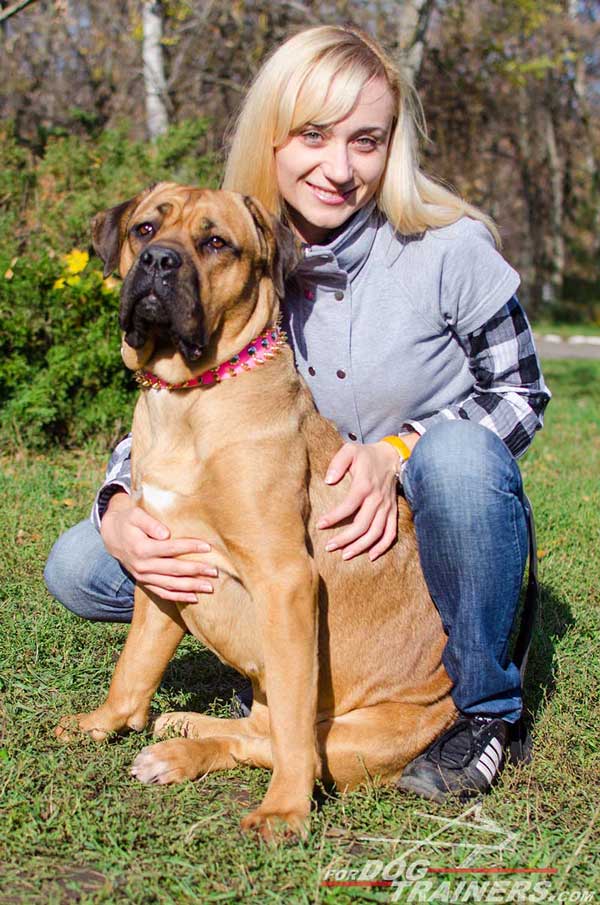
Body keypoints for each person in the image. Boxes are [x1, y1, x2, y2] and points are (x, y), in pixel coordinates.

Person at [44, 25, 551, 802]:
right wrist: (119, 504)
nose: (338, 166)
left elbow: (521, 394)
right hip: (285, 505)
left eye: (366, 140)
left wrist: (401, 450)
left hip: (424, 521)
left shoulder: (447, 249)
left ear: (394, 149)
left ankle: (481, 711)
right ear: (273, 136)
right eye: (313, 134)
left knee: (457, 458)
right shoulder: (246, 236)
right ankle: (233, 699)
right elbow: (183, 412)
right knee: (86, 561)